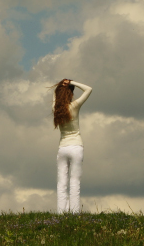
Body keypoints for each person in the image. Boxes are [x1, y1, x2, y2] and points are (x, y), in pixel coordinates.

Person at [51, 78, 92, 214]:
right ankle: (74, 213)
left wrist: (59, 85)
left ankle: (60, 213)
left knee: (61, 183)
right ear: (70, 93)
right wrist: (72, 82)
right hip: (76, 147)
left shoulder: (55, 109)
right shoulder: (74, 106)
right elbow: (88, 89)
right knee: (75, 182)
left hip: (62, 149)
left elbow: (55, 96)